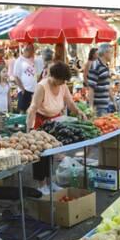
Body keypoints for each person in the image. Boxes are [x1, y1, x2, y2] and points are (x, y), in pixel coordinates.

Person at [27, 61, 87, 194]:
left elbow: (70, 102)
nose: (61, 83)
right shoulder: (41, 86)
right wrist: (30, 129)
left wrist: (79, 112)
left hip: (55, 122)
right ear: (53, 75)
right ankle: (41, 185)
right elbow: (33, 108)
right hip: (41, 123)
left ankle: (50, 182)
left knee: (52, 153)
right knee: (41, 155)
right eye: (60, 80)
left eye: (63, 81)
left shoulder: (63, 85)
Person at [13, 43, 44, 113]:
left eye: (33, 51)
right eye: (32, 51)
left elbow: (40, 72)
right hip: (24, 90)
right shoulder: (19, 61)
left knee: (33, 110)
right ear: (26, 50)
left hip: (34, 90)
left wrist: (38, 82)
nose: (33, 53)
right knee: (22, 110)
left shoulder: (34, 59)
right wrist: (22, 89)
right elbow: (16, 76)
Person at [88, 43, 114, 117]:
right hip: (98, 106)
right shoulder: (96, 65)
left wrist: (113, 100)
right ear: (105, 53)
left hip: (105, 105)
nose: (112, 55)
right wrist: (90, 107)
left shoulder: (106, 66)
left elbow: (107, 85)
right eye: (111, 53)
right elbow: (91, 88)